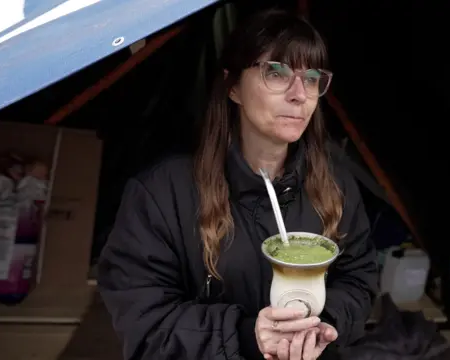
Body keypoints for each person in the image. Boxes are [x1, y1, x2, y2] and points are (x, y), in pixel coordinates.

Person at [97, 8, 378, 360]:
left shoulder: (335, 186)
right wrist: (246, 336)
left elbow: (359, 279)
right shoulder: (161, 195)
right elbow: (146, 323)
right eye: (276, 72)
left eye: (311, 78)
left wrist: (327, 322)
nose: (299, 94)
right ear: (233, 87)